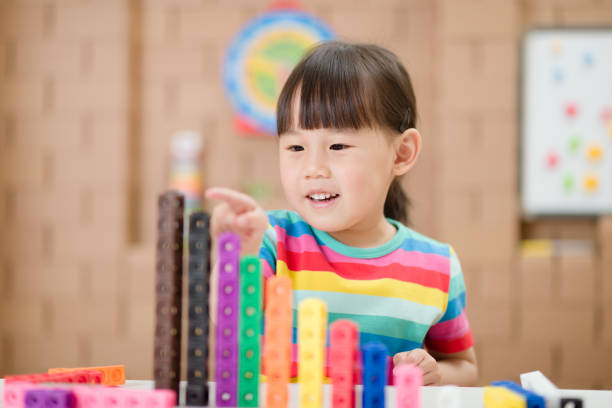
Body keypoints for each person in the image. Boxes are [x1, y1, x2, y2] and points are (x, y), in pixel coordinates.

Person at [207, 41, 478, 386]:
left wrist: (435, 373)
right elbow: (228, 323)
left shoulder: (437, 266)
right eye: (295, 147)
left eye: (337, 146)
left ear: (401, 154)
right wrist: (236, 254)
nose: (313, 168)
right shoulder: (271, 240)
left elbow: (465, 366)